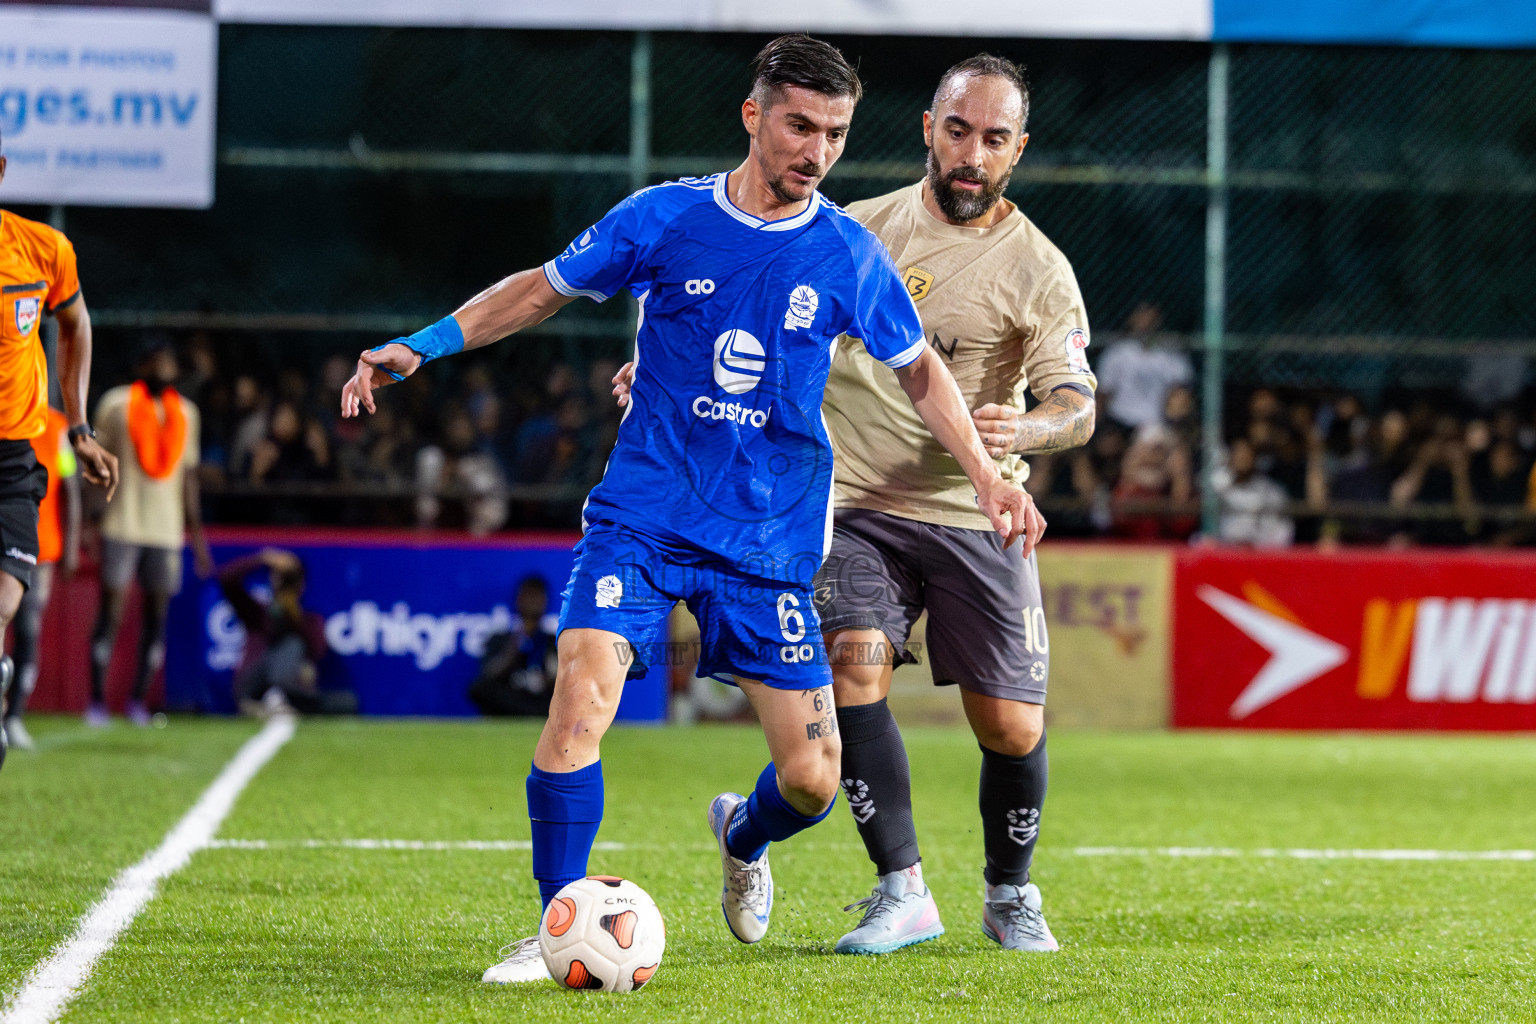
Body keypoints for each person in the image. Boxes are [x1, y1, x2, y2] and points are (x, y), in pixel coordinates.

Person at [341, 34, 1039, 984]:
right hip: (644, 517)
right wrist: (422, 343)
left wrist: (990, 476)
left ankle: (741, 835)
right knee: (581, 697)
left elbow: (920, 372)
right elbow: (541, 291)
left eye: (834, 132)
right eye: (799, 124)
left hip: (768, 541)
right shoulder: (664, 218)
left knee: (812, 783)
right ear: (754, 116)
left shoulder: (846, 253)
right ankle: (556, 926)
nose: (817, 149)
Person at [813, 56, 1094, 955]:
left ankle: (1008, 894)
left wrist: (1029, 428)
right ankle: (901, 891)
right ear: (929, 127)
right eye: (959, 130)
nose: (973, 153)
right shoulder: (856, 231)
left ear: (1018, 151)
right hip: (856, 501)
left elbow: (1077, 404)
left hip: (979, 508)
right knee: (854, 667)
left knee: (1010, 726)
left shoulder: (1040, 269)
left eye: (995, 139)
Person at [0, 140, 119, 773]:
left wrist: (77, 428)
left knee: (6, 606)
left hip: (14, 457)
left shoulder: (43, 249)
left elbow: (75, 325)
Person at [87, 339, 212, 726]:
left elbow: (189, 479)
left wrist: (197, 535)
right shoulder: (116, 404)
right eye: (155, 363)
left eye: (169, 365)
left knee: (157, 616)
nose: (162, 371)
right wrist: (91, 521)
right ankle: (96, 701)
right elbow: (94, 463)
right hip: (121, 522)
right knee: (113, 611)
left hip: (165, 528)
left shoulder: (187, 414)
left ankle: (139, 700)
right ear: (141, 366)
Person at [3, 406, 81, 751]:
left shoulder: (57, 426)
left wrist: (74, 540)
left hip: (43, 546)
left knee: (28, 630)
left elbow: (70, 484)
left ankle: (15, 715)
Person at [216, 548, 343, 716]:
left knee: (293, 646)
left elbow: (315, 652)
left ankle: (280, 699)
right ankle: (272, 698)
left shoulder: (310, 621)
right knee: (291, 646)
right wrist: (263, 559)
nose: (283, 581)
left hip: (290, 685)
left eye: (290, 577)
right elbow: (226, 579)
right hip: (253, 685)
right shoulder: (258, 612)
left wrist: (292, 614)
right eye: (279, 576)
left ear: (302, 583)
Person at [467, 575, 559, 718]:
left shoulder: (553, 640)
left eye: (537, 596)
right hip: (511, 696)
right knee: (480, 688)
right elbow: (489, 675)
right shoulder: (501, 638)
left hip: (541, 699)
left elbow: (560, 679)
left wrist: (546, 678)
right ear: (518, 600)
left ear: (545, 601)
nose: (532, 601)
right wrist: (518, 640)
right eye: (528, 595)